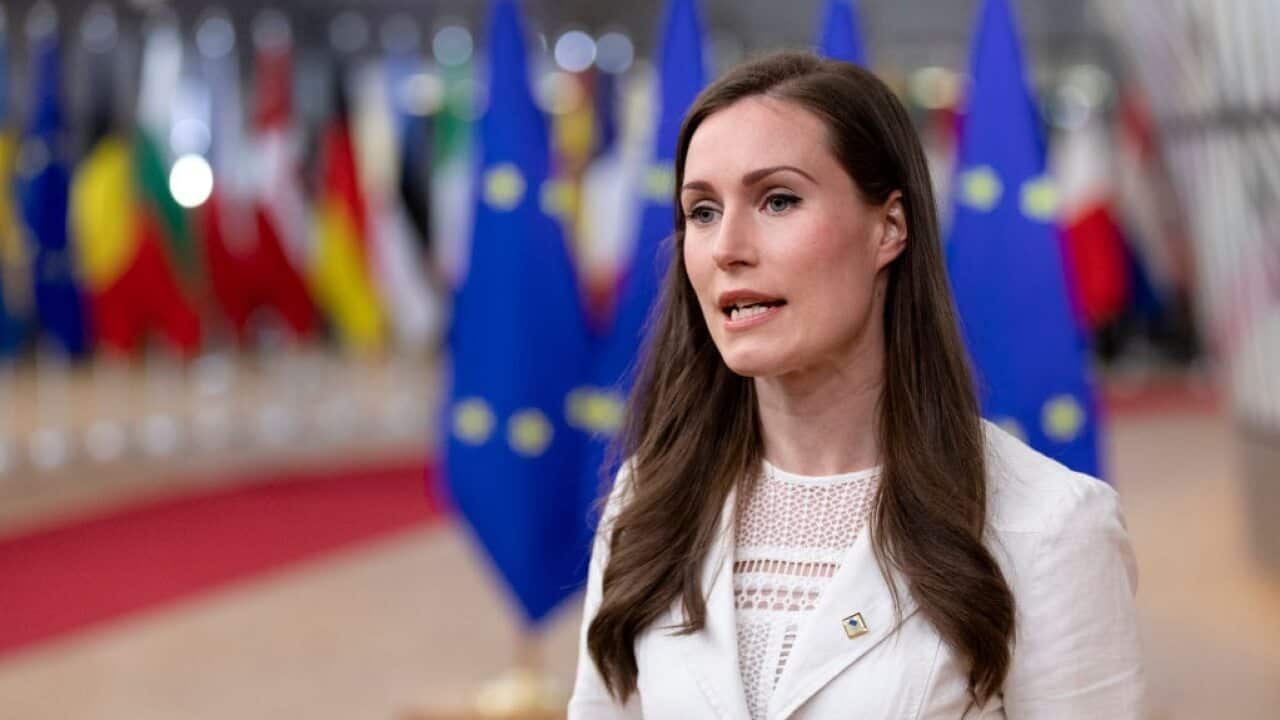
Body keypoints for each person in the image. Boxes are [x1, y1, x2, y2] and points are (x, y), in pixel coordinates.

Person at [568, 51, 1143, 719]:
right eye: (701, 211)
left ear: (889, 228)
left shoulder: (1049, 523)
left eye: (777, 199)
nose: (727, 246)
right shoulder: (649, 500)